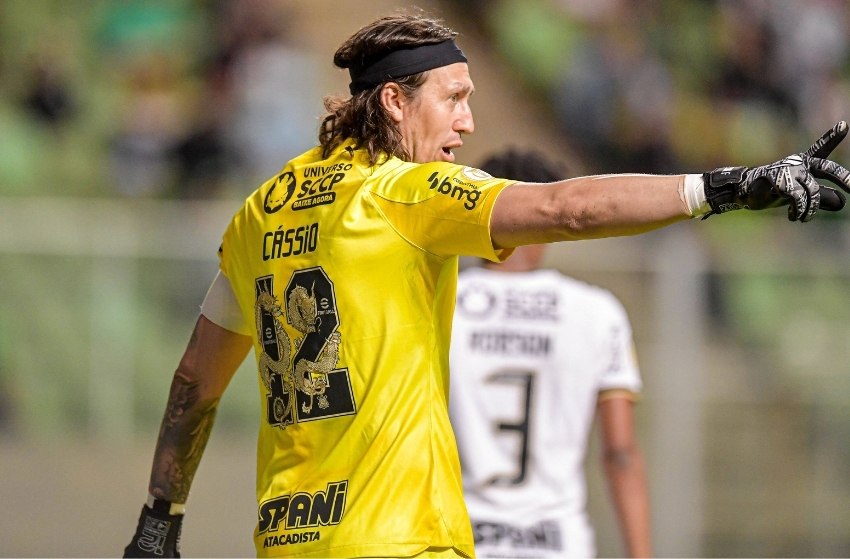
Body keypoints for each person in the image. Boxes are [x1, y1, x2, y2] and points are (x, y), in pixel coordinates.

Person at [123, 11, 850, 559]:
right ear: (394, 103)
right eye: (454, 96)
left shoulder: (260, 208)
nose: (468, 122)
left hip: (288, 540)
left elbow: (197, 379)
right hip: (403, 538)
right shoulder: (407, 193)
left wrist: (162, 516)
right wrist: (724, 187)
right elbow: (567, 209)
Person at [449, 149, 650, 558]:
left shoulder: (441, 305)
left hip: (457, 540)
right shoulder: (596, 312)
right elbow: (620, 452)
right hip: (558, 543)